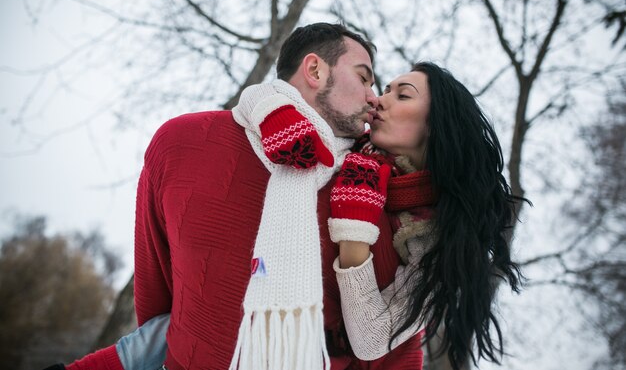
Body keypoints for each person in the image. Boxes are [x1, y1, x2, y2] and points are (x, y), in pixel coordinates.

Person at [50, 23, 424, 370]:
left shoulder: (366, 189)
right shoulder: (181, 144)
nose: (374, 99)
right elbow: (160, 299)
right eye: (364, 78)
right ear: (315, 71)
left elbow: (395, 354)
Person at [328, 62, 525, 369]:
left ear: (435, 124)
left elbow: (372, 339)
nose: (379, 99)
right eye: (385, 90)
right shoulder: (344, 146)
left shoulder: (436, 240)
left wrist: (354, 222)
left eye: (403, 95)